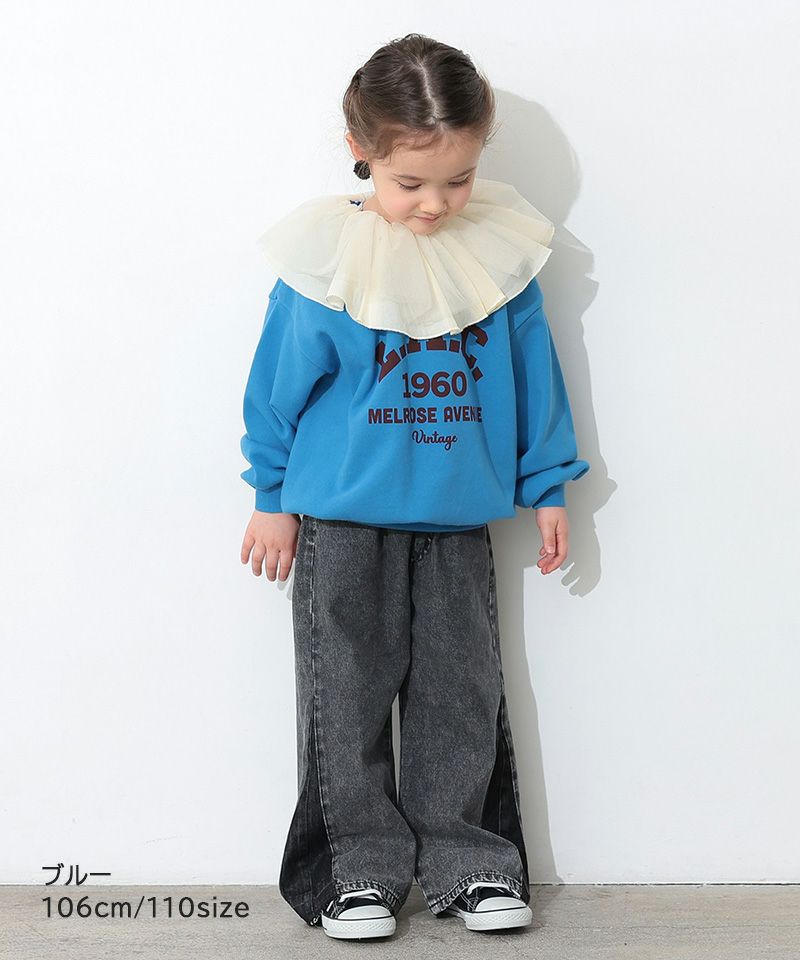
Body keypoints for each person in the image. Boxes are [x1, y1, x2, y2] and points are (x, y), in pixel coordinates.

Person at [238, 33, 590, 941]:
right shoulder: (326, 264)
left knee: (458, 693)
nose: (435, 204)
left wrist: (549, 485)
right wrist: (270, 496)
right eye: (410, 183)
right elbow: (276, 387)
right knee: (346, 693)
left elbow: (535, 378)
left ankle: (469, 863)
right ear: (362, 151)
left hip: (457, 518)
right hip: (340, 519)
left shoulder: (499, 264)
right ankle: (354, 872)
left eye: (458, 180)